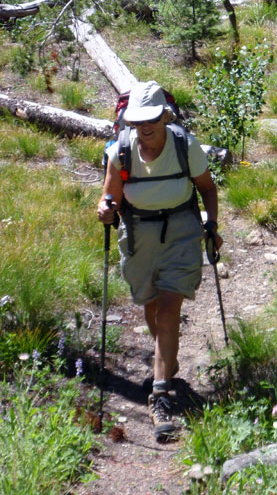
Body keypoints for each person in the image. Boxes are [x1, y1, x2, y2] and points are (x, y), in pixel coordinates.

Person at [97, 80, 221, 442]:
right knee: (151, 310)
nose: (144, 126)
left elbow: (208, 188)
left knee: (168, 309)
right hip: (138, 235)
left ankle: (161, 393)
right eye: (137, 120)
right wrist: (105, 210)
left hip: (181, 231)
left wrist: (211, 225)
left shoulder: (184, 145)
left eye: (151, 118)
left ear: (165, 116)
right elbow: (109, 198)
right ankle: (167, 358)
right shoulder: (120, 151)